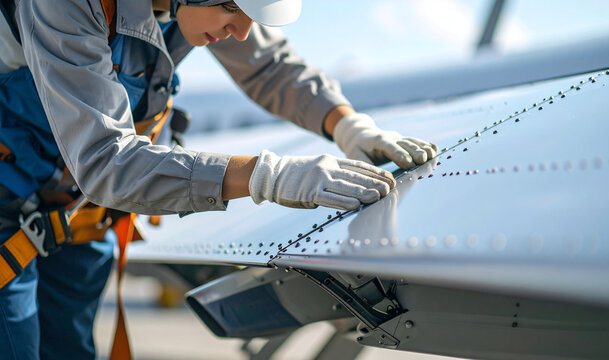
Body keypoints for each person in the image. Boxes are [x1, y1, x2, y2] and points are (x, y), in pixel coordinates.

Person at [0, 0, 437, 358]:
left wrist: (348, 127)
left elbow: (269, 66)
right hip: (10, 210)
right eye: (231, 7)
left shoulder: (194, 10)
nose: (243, 32)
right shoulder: (68, 5)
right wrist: (265, 176)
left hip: (75, 213)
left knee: (70, 350)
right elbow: (106, 160)